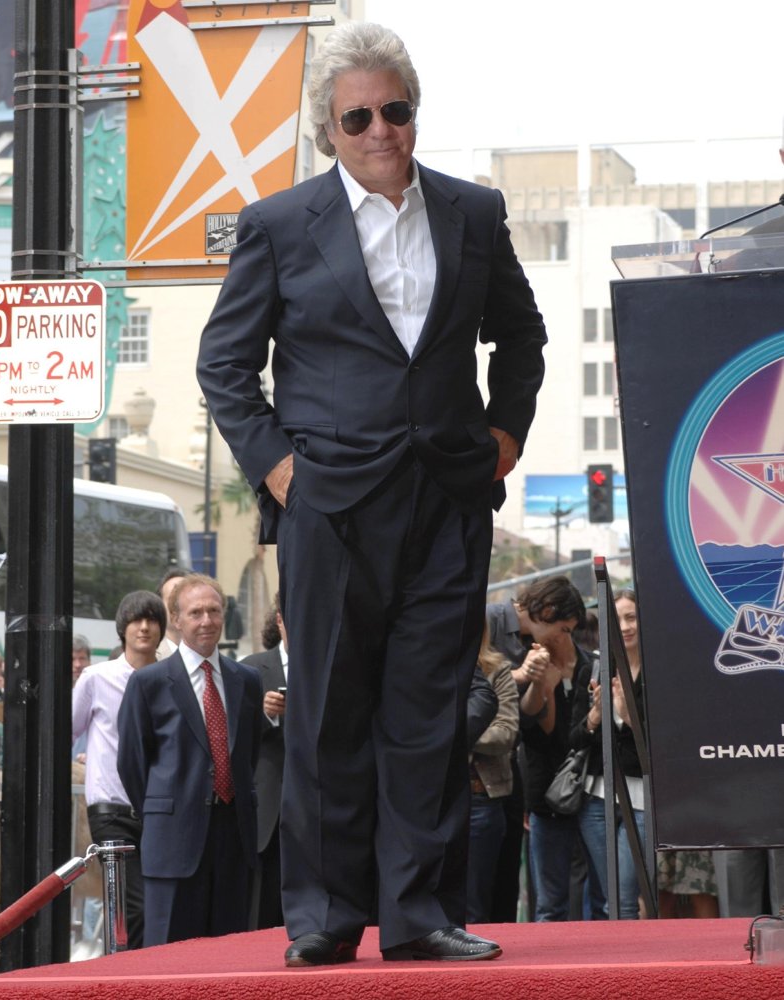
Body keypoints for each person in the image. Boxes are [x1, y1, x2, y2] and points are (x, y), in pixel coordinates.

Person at [197, 21, 547, 966]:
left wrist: (504, 438)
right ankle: (321, 917)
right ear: (329, 132)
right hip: (329, 505)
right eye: (359, 117)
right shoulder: (278, 224)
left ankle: (417, 913)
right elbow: (224, 365)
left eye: (396, 110)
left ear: (414, 114)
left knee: (429, 711)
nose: (380, 130)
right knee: (324, 713)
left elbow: (522, 336)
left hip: (446, 498)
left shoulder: (474, 213)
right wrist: (278, 469)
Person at [117, 573, 263, 945]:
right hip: (174, 840)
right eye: (195, 612)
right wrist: (163, 808)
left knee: (230, 955)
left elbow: (250, 753)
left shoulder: (246, 680)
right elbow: (132, 763)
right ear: (176, 620)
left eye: (214, 611)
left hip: (234, 836)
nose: (207, 621)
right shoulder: (149, 683)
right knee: (169, 957)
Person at [72, 590, 167, 949]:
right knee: (133, 908)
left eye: (152, 620)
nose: (144, 628)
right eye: (135, 620)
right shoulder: (97, 678)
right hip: (111, 810)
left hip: (159, 808)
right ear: (122, 629)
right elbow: (67, 730)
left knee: (157, 905)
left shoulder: (170, 679)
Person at [512, 578, 591, 922]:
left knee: (601, 894)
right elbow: (541, 733)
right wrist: (542, 686)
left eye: (571, 630)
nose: (565, 636)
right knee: (550, 902)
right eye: (562, 628)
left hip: (590, 790)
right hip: (545, 792)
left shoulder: (589, 664)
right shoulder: (525, 655)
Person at [571, 588, 645, 919]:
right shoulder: (596, 668)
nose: (625, 626)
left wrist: (628, 718)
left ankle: (631, 969)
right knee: (608, 896)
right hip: (595, 798)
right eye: (617, 620)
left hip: (641, 799)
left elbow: (664, 742)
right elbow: (573, 737)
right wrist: (594, 719)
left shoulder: (660, 671)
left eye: (631, 617)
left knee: (627, 894)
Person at [241, 595, 288, 930]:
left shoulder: (329, 664)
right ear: (280, 621)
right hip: (268, 805)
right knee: (260, 912)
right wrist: (265, 715)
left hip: (319, 807)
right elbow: (232, 731)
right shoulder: (253, 667)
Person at [466, 624, 519, 923]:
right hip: (428, 802)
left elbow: (506, 732)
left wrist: (451, 735)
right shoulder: (424, 667)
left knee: (475, 905)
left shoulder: (496, 669)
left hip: (480, 797)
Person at [155, 567, 190, 659]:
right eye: (173, 599)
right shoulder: (149, 658)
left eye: (187, 599)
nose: (179, 605)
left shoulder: (208, 659)